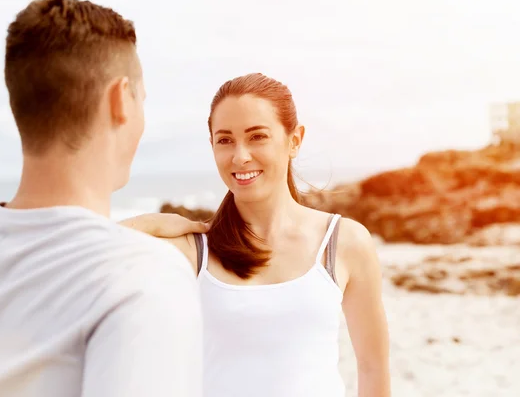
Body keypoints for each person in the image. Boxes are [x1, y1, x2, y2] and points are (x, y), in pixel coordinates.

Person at [0, 0, 205, 396]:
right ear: (120, 99)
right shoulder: (147, 277)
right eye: (143, 98)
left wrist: (132, 232)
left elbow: (46, 254)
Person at [145, 73, 391, 396]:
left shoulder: (343, 243)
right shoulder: (193, 251)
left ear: (294, 141)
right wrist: (152, 225)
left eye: (257, 136)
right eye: (225, 140)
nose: (240, 156)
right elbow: (81, 255)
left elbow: (373, 368)